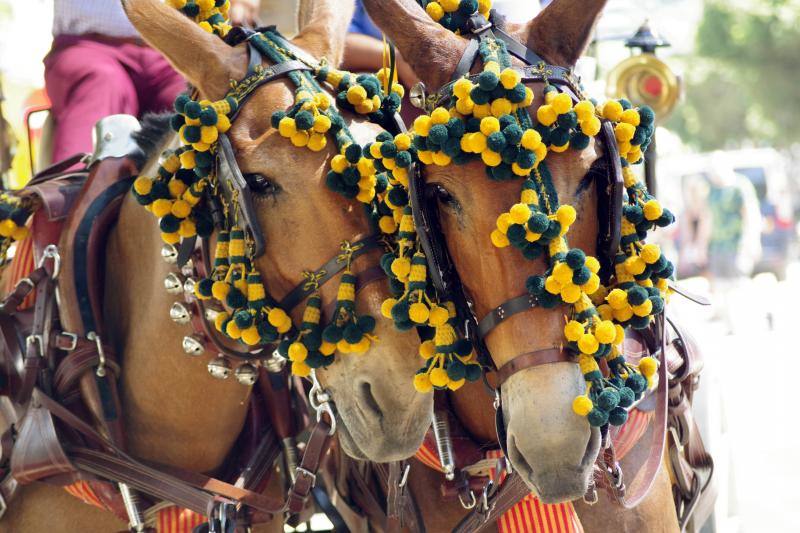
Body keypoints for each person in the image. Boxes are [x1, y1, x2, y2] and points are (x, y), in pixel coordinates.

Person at [44, 0, 258, 163]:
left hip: (171, 49)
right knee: (101, 81)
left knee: (195, 99)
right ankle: (68, 202)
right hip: (89, 47)